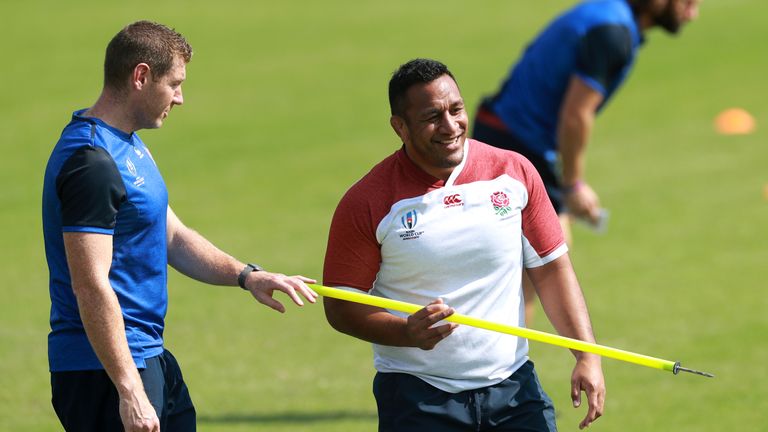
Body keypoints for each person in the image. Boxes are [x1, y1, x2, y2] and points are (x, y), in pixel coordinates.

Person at [42, 21, 318, 432]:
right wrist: (130, 391)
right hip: (103, 372)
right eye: (174, 84)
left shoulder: (128, 146)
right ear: (141, 76)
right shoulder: (91, 162)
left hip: (146, 356)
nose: (181, 97)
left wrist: (248, 276)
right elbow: (90, 283)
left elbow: (173, 236)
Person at [322, 58, 605, 431]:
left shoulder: (513, 172)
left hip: (514, 390)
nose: (450, 125)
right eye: (432, 117)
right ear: (400, 127)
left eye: (456, 109)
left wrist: (587, 355)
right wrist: (405, 332)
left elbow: (552, 270)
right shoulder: (367, 202)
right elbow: (341, 306)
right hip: (417, 398)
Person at [472, 0, 701, 324]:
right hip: (516, 141)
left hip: (509, 132)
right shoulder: (613, 33)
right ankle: (498, 362)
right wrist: (573, 186)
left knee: (534, 263)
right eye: (688, 2)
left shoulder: (610, 15)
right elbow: (575, 115)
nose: (693, 13)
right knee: (545, 258)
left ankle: (500, 355)